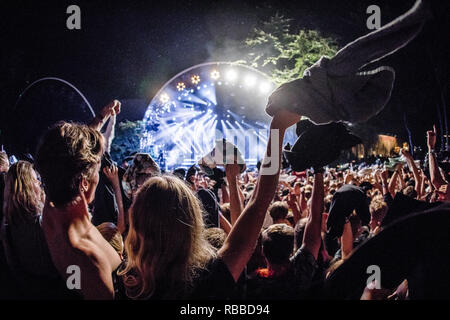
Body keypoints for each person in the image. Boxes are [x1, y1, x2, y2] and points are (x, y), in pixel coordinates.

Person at [115, 109, 301, 300]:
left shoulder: (123, 281)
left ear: (136, 219)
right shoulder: (208, 277)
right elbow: (259, 202)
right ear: (192, 219)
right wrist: (277, 131)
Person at [35, 120, 122, 299]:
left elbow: (63, 154)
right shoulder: (89, 260)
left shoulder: (51, 213)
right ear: (84, 183)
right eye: (97, 171)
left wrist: (101, 117)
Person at [1, 161, 74, 299]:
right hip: (59, 290)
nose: (39, 184)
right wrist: (76, 289)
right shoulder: (42, 223)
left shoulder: (7, 225)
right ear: (27, 187)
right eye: (36, 180)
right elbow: (68, 262)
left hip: (33, 291)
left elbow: (15, 268)